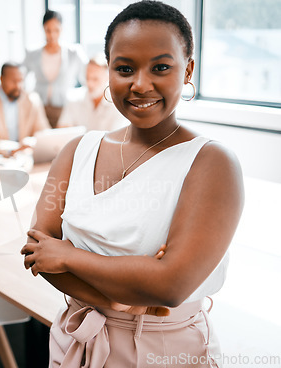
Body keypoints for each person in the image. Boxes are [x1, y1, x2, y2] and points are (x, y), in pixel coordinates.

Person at [20, 1, 244, 367]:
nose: (140, 84)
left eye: (160, 67)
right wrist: (118, 299)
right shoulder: (77, 150)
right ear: (108, 71)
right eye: (124, 68)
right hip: (76, 339)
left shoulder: (212, 163)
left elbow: (170, 285)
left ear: (187, 70)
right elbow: (36, 250)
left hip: (163, 349)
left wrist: (69, 256)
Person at [23, 10, 88, 128]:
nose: (52, 35)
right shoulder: (32, 53)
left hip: (64, 108)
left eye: (56, 30)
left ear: (62, 29)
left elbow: (87, 78)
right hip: (39, 109)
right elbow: (20, 77)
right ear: (43, 29)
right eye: (48, 30)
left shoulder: (74, 53)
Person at [0, 62, 50, 156]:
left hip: (27, 156)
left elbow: (43, 132)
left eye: (21, 81)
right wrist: (14, 149)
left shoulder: (33, 100)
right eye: (13, 81)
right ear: (2, 79)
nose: (18, 86)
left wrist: (30, 143)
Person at [57, 54, 129, 131]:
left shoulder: (118, 105)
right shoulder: (74, 99)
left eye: (95, 79)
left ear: (108, 78)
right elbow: (62, 130)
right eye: (87, 78)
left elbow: (117, 138)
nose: (89, 84)